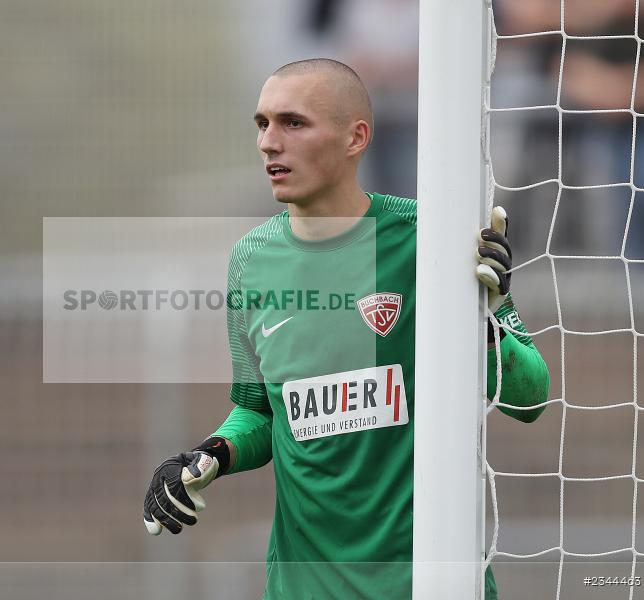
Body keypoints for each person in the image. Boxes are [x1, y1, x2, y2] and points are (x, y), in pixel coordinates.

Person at [142, 59, 550, 599]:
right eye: (261, 123)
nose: (268, 142)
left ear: (356, 137)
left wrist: (488, 323)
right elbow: (261, 409)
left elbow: (531, 399)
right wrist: (211, 455)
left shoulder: (430, 236)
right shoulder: (249, 260)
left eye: (293, 122)